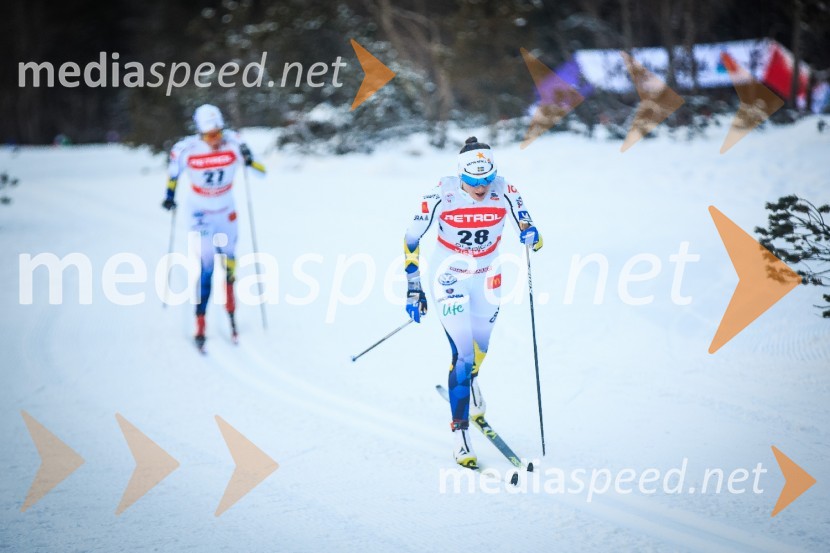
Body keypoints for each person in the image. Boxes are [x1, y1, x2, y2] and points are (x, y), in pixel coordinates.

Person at [403, 136, 543, 468]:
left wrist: (532, 235)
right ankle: (461, 434)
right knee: (463, 354)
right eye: (472, 180)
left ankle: (470, 382)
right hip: (449, 277)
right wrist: (413, 287)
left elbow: (532, 232)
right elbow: (411, 237)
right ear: (460, 175)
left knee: (481, 350)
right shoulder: (441, 194)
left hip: (488, 275)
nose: (481, 187)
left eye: (486, 179)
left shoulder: (505, 190)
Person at [162, 104, 266, 350]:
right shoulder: (186, 149)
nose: (215, 140)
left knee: (229, 263)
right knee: (207, 265)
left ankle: (231, 314)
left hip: (226, 212)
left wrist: (250, 159)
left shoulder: (235, 143)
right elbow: (173, 174)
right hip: (200, 213)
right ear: (200, 132)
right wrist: (169, 196)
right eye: (209, 135)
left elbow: (261, 172)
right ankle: (200, 322)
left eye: (218, 133)